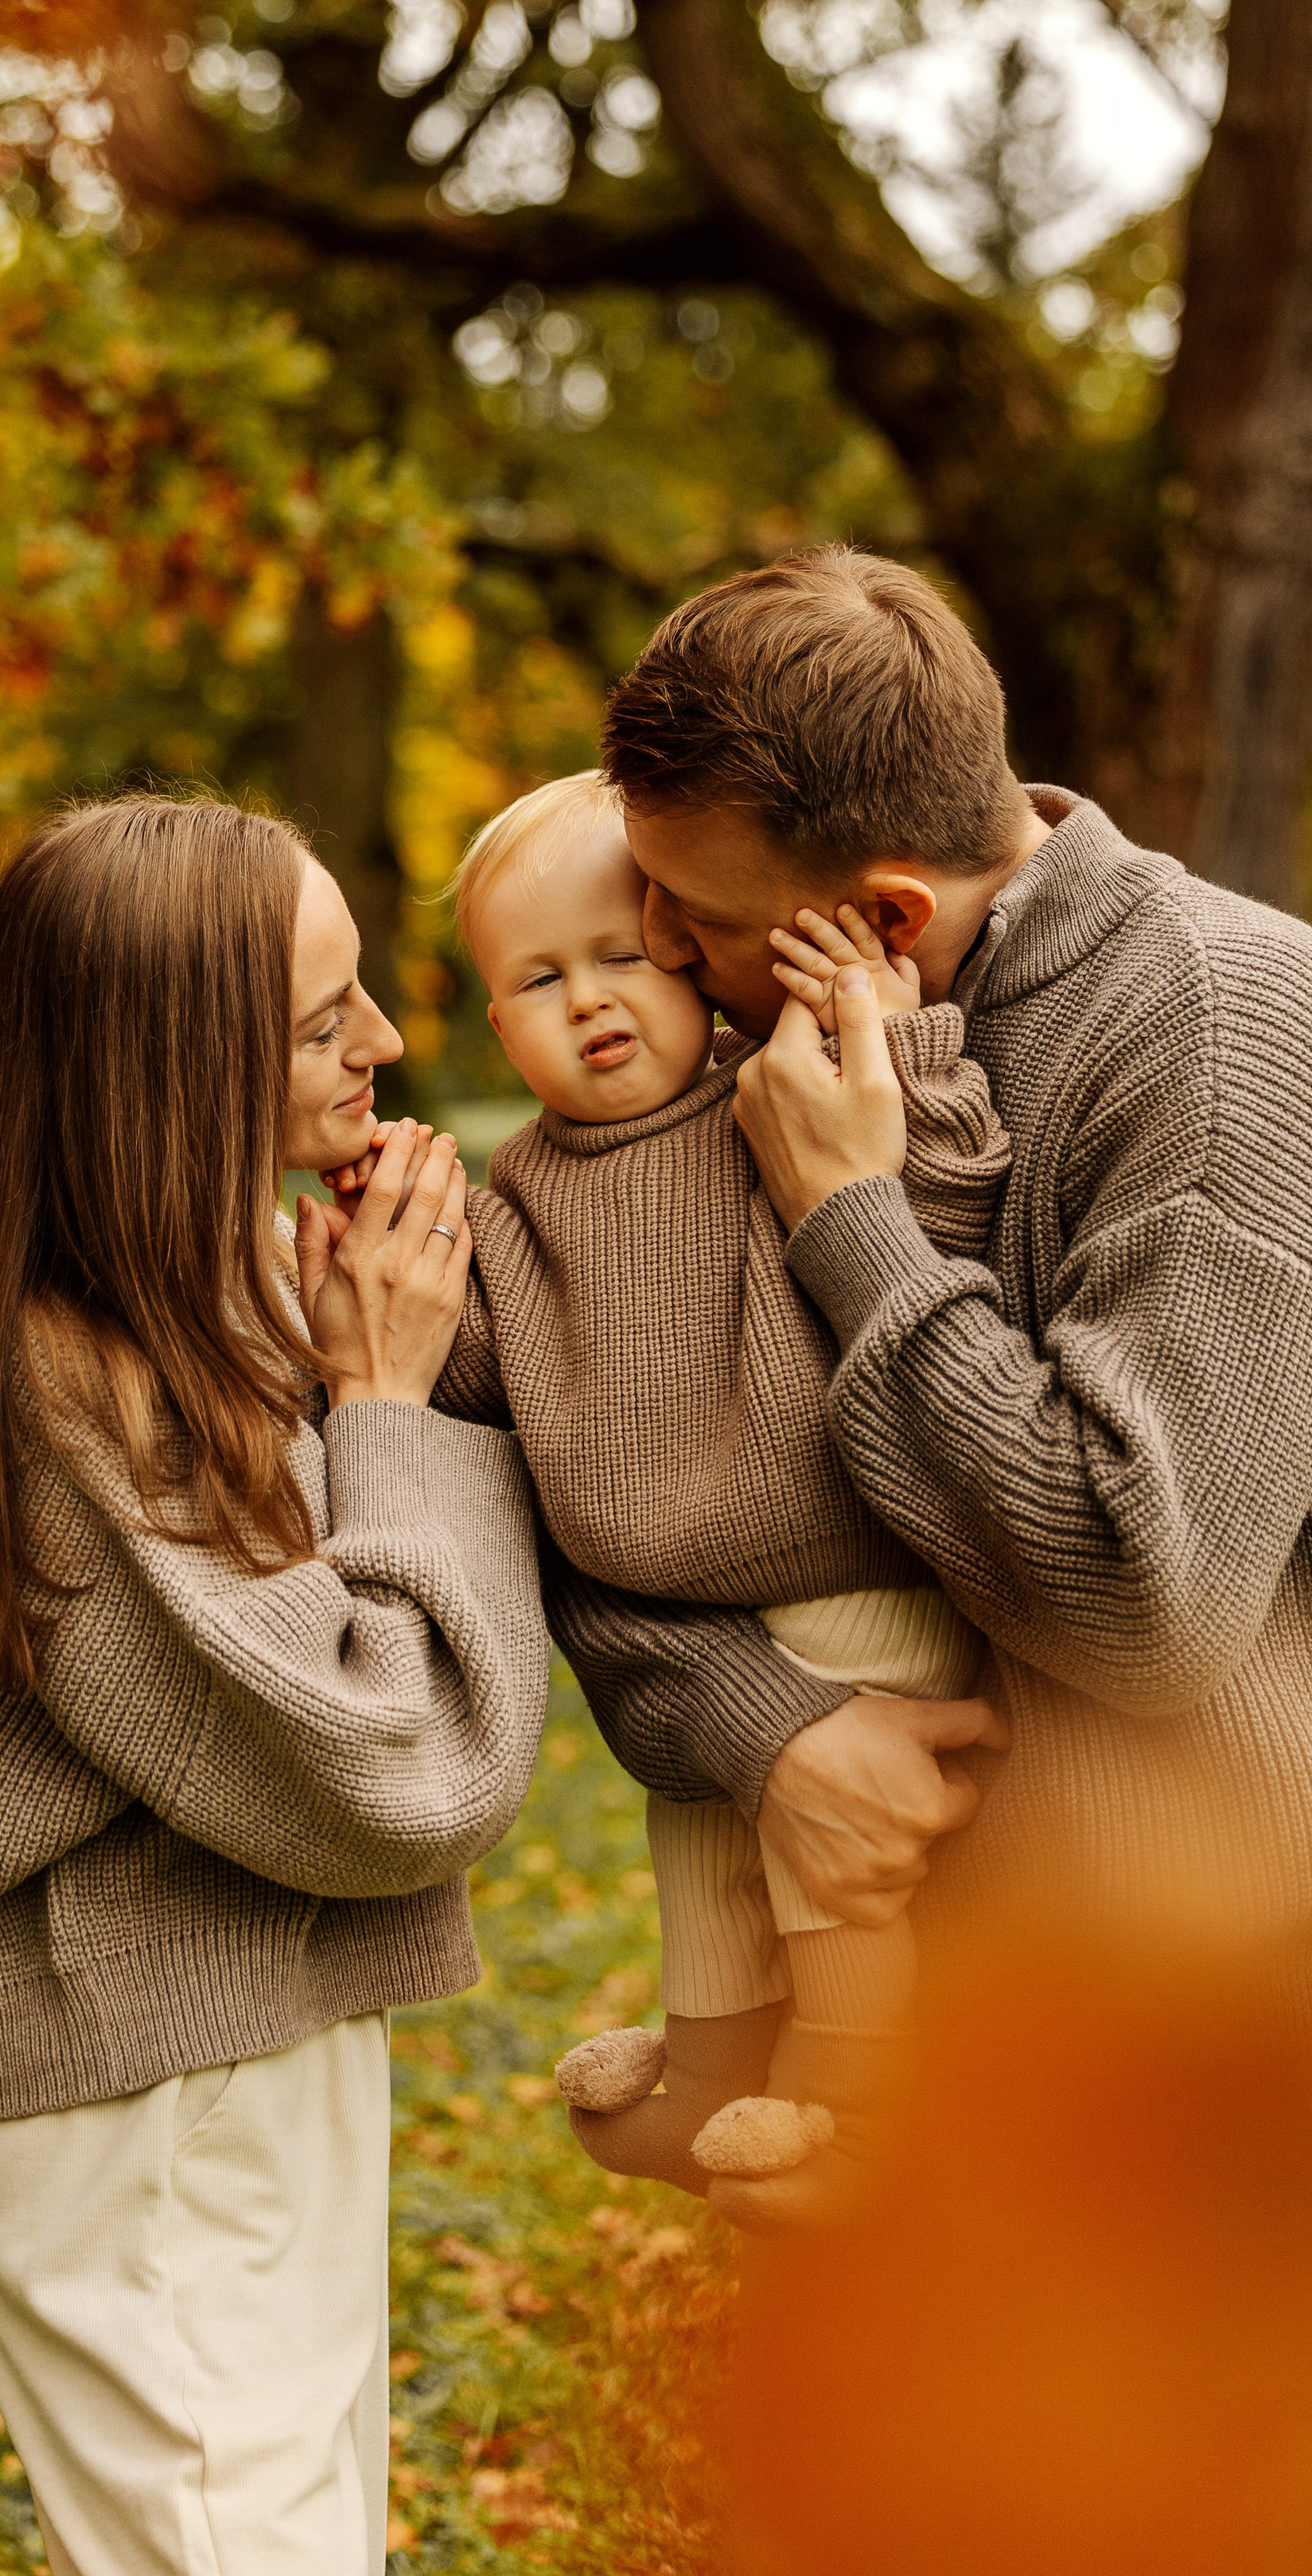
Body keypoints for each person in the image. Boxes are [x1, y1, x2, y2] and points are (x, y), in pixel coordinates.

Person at [545, 549, 1312, 2209]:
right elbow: (607, 1461)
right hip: (887, 2036)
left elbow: (1137, 1594)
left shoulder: (1228, 1034)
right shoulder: (781, 1039)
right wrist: (765, 1731)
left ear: (884, 909)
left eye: (702, 916)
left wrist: (849, 1217)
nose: (655, 951)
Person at [0, 793, 547, 2576]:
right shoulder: (67, 1391)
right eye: (322, 1020)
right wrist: (383, 1406)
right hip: (160, 2112)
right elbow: (398, 1776)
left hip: (253, 2053)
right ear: (172, 1065)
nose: (386, 1043)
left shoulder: (214, 1296)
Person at [415, 769, 1006, 2225]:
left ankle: (859, 2098)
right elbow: (469, 1369)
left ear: (687, 952)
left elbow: (938, 1195)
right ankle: (714, 2065)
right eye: (540, 980)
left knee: (834, 1881)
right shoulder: (513, 1204)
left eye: (621, 955)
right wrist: (394, 1239)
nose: (592, 1001)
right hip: (696, 1625)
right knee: (704, 1836)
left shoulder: (771, 1098)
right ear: (496, 1024)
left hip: (849, 1579)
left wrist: (899, 1037)